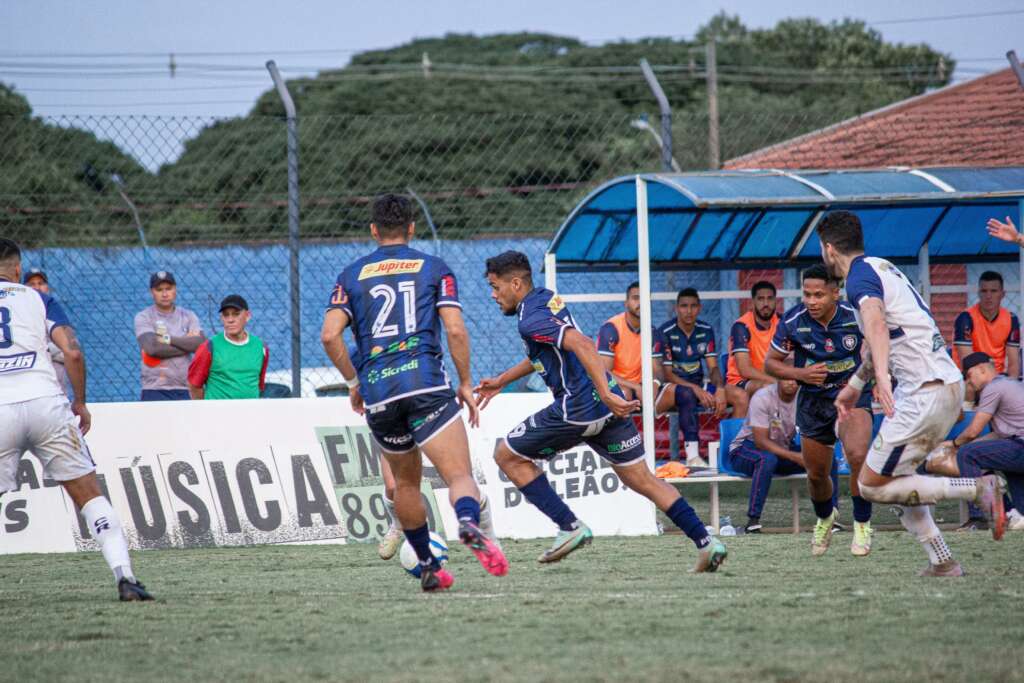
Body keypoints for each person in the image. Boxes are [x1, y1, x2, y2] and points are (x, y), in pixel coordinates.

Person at [475, 251, 727, 572]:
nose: (493, 296)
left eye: (496, 288)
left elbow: (581, 343)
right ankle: (707, 542)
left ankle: (568, 526)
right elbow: (545, 353)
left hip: (579, 407)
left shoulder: (529, 318)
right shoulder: (545, 298)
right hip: (605, 411)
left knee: (506, 455)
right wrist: (501, 380)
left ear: (515, 283)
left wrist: (606, 393)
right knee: (644, 480)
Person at [320, 193, 507, 592]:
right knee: (457, 475)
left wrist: (355, 383)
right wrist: (465, 382)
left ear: (373, 230)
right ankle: (469, 523)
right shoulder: (434, 268)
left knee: (405, 485)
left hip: (379, 393)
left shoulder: (350, 276)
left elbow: (329, 335)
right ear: (412, 227)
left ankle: (427, 566)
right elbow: (455, 329)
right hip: (424, 383)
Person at [822, 210, 1005, 577]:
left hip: (924, 392)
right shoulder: (881, 267)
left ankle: (978, 488)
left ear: (828, 249)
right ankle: (943, 561)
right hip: (945, 385)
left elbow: (874, 322)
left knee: (870, 485)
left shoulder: (859, 279)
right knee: (898, 482)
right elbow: (881, 340)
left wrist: (884, 383)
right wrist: (856, 386)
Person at [0, 238, 152, 601]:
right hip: (46, 402)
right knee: (89, 497)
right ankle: (125, 578)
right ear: (18, 269)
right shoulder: (37, 298)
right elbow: (72, 352)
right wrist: (80, 402)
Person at [764, 264, 875, 557]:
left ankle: (862, 523)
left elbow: (881, 345)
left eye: (819, 295)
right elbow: (770, 363)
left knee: (857, 455)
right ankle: (826, 518)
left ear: (835, 294)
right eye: (807, 295)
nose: (811, 301)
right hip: (813, 403)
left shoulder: (856, 317)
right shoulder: (793, 321)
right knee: (816, 474)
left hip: (850, 397)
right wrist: (801, 374)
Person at [925, 352, 1024, 531]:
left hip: (1020, 446)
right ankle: (1008, 512)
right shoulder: (1009, 383)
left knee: (967, 454)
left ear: (982, 369)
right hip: (1017, 446)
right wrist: (969, 444)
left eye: (970, 377)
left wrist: (954, 445)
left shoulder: (994, 388)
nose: (970, 383)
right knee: (1020, 512)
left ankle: (979, 517)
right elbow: (1000, 436)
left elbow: (973, 431)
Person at [595, 282, 691, 452]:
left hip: (642, 389)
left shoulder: (652, 331)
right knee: (624, 393)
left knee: (684, 393)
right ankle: (621, 451)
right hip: (617, 387)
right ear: (626, 303)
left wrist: (653, 383)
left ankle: (692, 453)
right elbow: (604, 373)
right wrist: (635, 387)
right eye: (635, 298)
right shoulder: (612, 328)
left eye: (644, 298)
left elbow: (657, 369)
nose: (640, 303)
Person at [659, 288, 729, 454]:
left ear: (699, 308)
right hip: (674, 388)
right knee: (687, 394)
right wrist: (695, 389)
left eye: (693, 306)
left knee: (738, 396)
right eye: (684, 306)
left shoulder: (706, 330)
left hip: (698, 384)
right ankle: (693, 455)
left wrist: (720, 388)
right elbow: (667, 374)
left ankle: (731, 451)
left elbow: (713, 367)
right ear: (676, 308)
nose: (688, 311)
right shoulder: (665, 332)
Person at [134, 271, 205, 401]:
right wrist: (187, 344)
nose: (165, 294)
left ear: (175, 290)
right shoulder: (144, 317)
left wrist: (166, 339)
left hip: (184, 388)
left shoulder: (189, 316)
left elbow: (201, 344)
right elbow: (152, 349)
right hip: (154, 389)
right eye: (159, 290)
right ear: (152, 292)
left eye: (168, 289)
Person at [187, 295, 269, 400]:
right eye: (226, 315)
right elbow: (194, 386)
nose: (230, 320)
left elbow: (259, 385)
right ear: (222, 318)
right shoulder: (209, 347)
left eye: (236, 314)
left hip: (250, 414)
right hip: (217, 414)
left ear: (247, 316)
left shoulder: (261, 348)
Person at [953, 271, 1020, 389]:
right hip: (969, 379)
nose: (988, 296)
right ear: (979, 293)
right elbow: (968, 362)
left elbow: (1014, 363)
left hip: (998, 378)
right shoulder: (965, 318)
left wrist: (1012, 388)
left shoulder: (1011, 319)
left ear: (1002, 294)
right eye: (984, 291)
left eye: (993, 291)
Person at [725, 281, 780, 418]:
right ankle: (742, 437)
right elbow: (744, 369)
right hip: (740, 381)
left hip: (771, 377)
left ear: (775, 301)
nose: (765, 303)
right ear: (752, 302)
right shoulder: (741, 326)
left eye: (770, 298)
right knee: (768, 387)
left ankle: (790, 434)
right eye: (761, 299)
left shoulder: (781, 322)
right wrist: (775, 380)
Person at [22, 268, 71, 398]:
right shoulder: (20, 313)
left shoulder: (53, 310)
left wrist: (44, 350)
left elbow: (69, 348)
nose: (37, 287)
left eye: (41, 283)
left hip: (53, 376)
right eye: (31, 284)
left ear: (47, 287)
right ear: (24, 288)